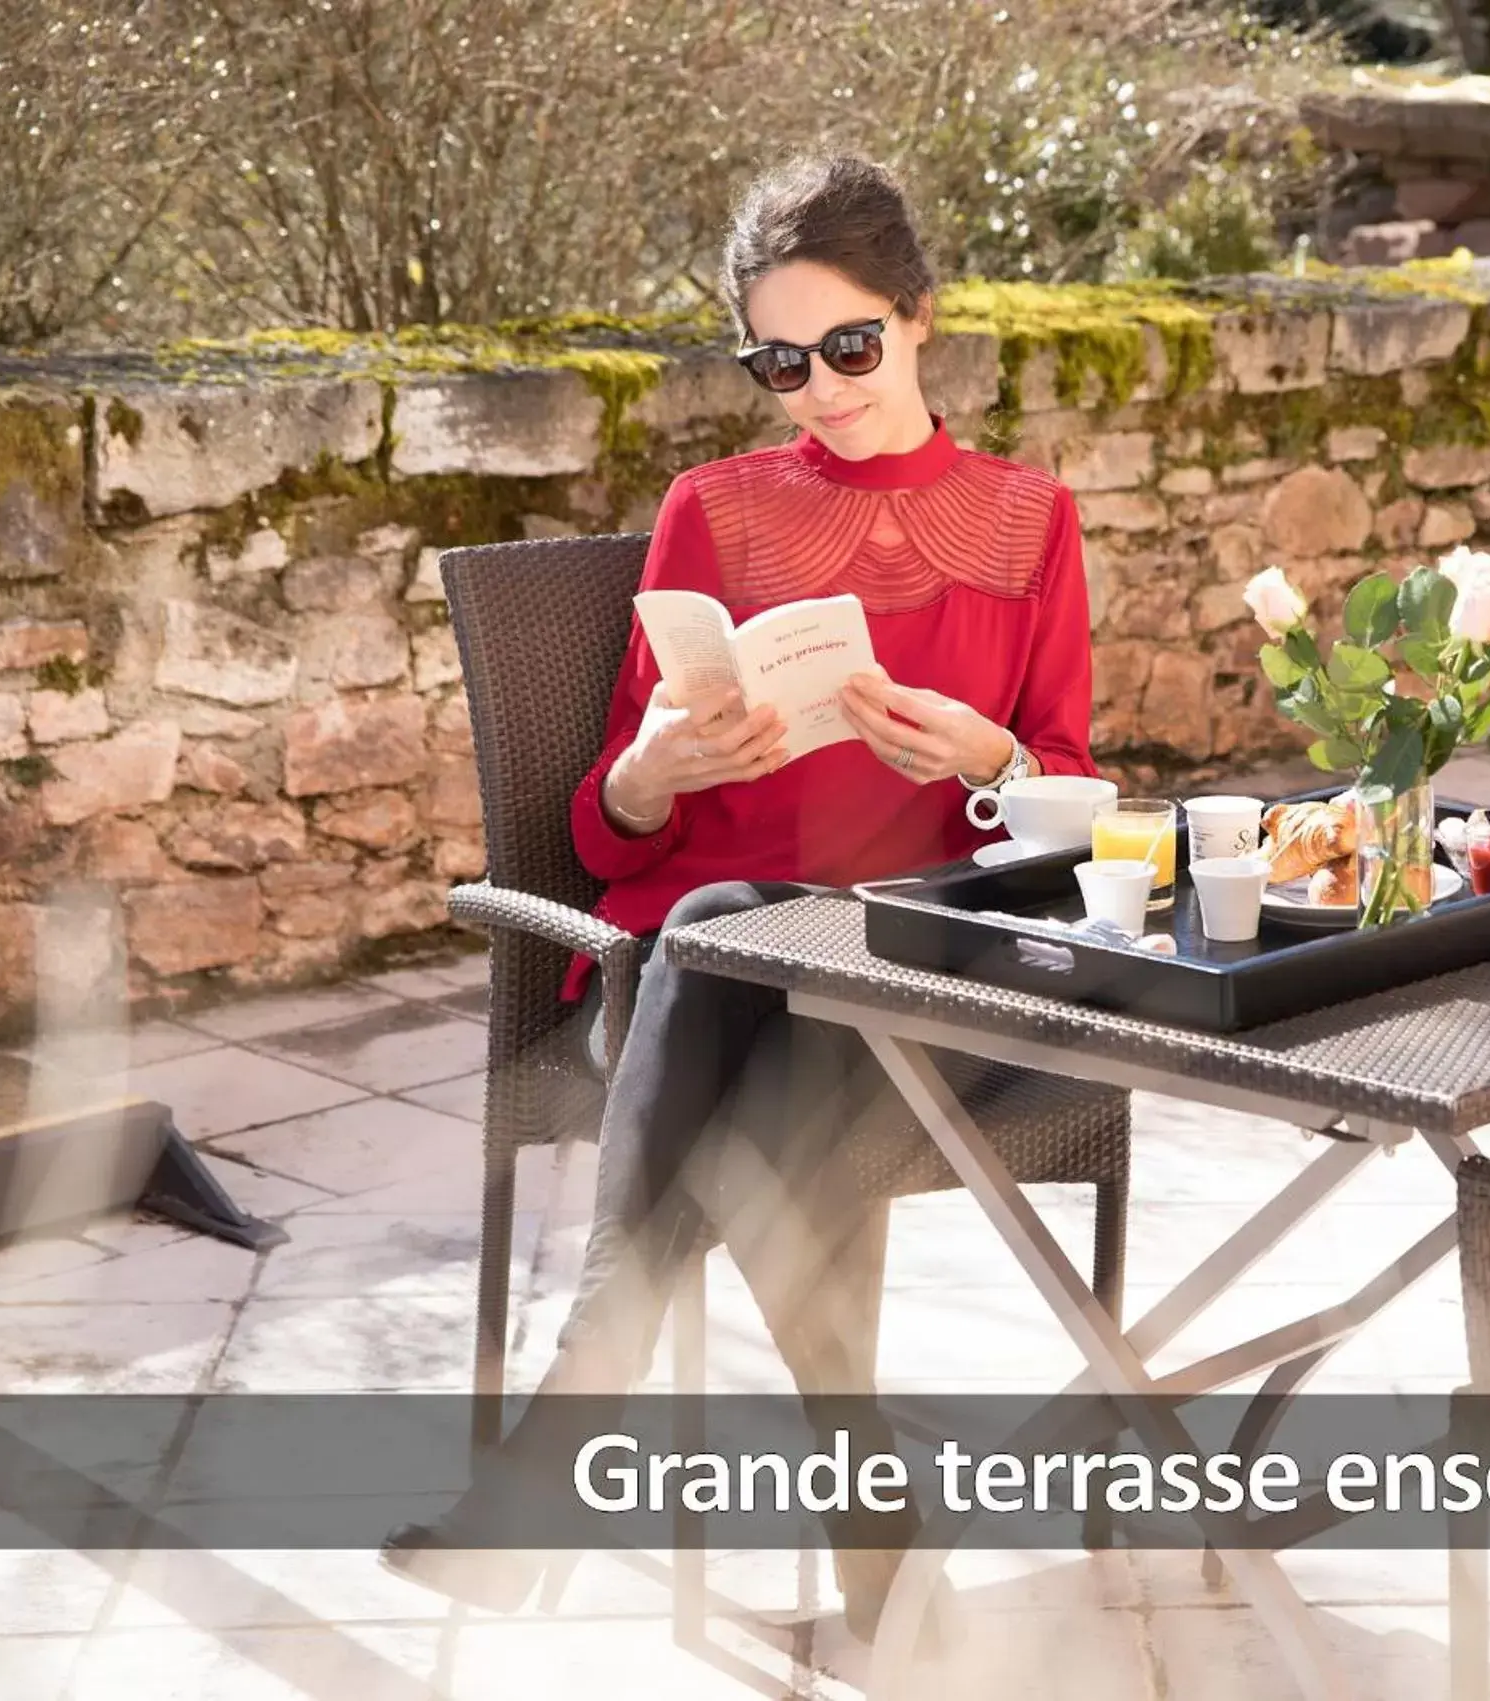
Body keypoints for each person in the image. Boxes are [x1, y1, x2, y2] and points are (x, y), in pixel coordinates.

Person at [380, 155, 1098, 1634]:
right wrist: (651, 760)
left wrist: (987, 753)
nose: (820, 389)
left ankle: (556, 1457)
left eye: (848, 347)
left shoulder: (1031, 520)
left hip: (929, 960)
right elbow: (612, 838)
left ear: (918, 321)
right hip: (705, 971)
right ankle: (880, 1564)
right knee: (722, 935)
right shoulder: (714, 511)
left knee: (771, 995)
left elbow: (1074, 805)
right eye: (781, 363)